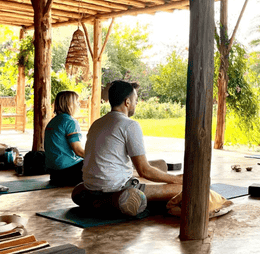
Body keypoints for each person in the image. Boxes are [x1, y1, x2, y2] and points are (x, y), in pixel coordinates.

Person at [72, 80, 184, 217]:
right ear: (127, 102)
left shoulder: (96, 123)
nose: (136, 103)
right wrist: (177, 179)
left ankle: (98, 201)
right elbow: (144, 170)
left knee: (161, 165)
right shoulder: (130, 125)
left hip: (90, 188)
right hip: (117, 189)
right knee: (180, 189)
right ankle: (113, 201)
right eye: (135, 100)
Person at [44, 91, 85, 186]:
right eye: (77, 102)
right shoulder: (70, 122)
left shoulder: (53, 121)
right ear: (69, 104)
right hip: (68, 172)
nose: (79, 104)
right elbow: (78, 151)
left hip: (54, 173)